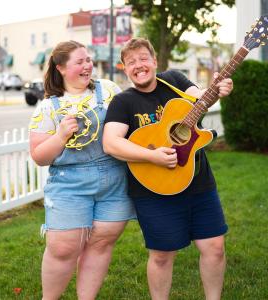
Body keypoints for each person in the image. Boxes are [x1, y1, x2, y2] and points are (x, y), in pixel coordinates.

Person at [103, 37, 233, 300]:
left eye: (143, 59)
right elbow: (111, 143)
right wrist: (152, 157)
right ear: (124, 69)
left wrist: (217, 88)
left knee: (215, 247)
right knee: (162, 256)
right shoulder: (123, 102)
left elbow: (201, 98)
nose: (138, 65)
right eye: (131, 62)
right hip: (154, 189)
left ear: (154, 61)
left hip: (198, 182)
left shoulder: (174, 80)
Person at [29, 40, 136, 300]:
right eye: (80, 61)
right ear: (62, 68)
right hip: (69, 184)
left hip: (114, 179)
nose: (88, 65)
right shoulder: (48, 107)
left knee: (101, 243)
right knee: (63, 248)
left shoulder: (109, 90)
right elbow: (39, 157)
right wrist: (61, 136)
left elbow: (131, 123)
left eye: (88, 59)